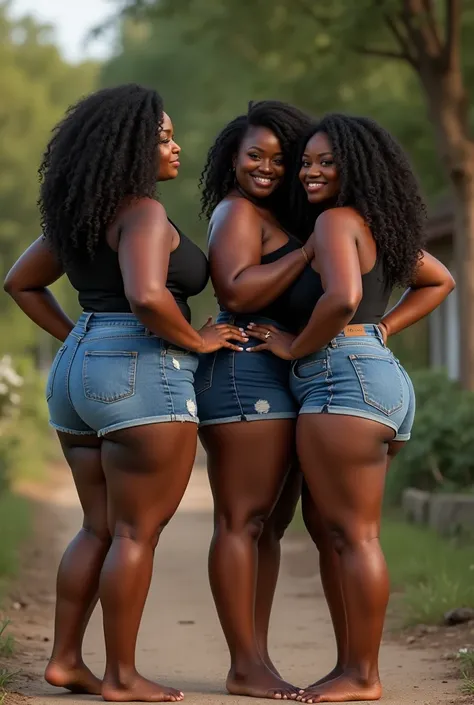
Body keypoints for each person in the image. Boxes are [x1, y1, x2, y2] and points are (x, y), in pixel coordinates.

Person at [4, 83, 246, 703]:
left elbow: (21, 283)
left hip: (78, 372)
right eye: (162, 137)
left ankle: (66, 661)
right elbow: (145, 295)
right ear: (130, 147)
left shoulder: (82, 213)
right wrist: (195, 340)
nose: (175, 146)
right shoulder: (142, 212)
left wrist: (82, 337)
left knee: (99, 527)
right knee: (135, 532)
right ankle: (121, 675)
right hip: (143, 371)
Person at [246, 113, 455, 703]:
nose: (310, 172)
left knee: (353, 536)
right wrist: (384, 329)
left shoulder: (337, 222)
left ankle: (363, 675)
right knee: (342, 534)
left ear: (354, 168)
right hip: (376, 379)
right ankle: (351, 669)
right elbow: (439, 280)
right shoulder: (375, 225)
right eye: (307, 161)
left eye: (325, 162)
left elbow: (342, 298)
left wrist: (293, 345)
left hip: (342, 381)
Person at [195, 100, 314, 700]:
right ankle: (243, 663)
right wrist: (309, 252)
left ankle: (256, 658)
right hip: (244, 374)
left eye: (279, 158)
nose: (266, 167)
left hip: (278, 378)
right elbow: (236, 291)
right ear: (233, 160)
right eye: (254, 155)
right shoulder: (237, 211)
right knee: (242, 521)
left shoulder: (281, 217)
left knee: (268, 526)